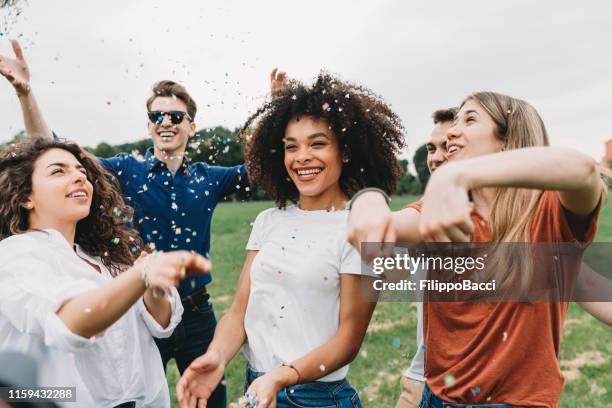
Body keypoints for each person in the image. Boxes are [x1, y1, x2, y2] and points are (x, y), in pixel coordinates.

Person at [0, 41, 280, 407]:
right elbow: (51, 152)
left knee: (208, 397)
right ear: (148, 126)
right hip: (130, 306)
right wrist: (26, 93)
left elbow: (261, 169)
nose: (166, 122)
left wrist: (273, 112)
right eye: (157, 116)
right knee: (133, 385)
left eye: (176, 117)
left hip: (194, 311)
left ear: (191, 127)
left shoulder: (209, 178)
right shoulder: (125, 169)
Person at [347, 91, 611, 407]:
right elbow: (383, 226)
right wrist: (369, 200)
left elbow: (582, 169)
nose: (452, 131)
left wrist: (457, 175)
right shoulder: (440, 214)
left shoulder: (550, 213)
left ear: (507, 141)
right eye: (455, 121)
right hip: (438, 398)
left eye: (469, 120)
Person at [175, 71, 405, 408]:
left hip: (316, 398)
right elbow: (239, 313)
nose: (301, 157)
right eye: (291, 147)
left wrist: (282, 376)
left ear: (345, 151)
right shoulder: (269, 221)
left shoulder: (361, 227)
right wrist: (216, 357)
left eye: (317, 143)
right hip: (258, 386)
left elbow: (348, 341)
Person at [0, 138, 212, 407]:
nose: (79, 177)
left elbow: (162, 326)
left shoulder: (103, 258)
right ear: (25, 197)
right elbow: (70, 322)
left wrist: (154, 290)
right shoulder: (15, 254)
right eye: (58, 171)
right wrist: (141, 276)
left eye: (81, 171)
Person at [395, 107, 457, 408]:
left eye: (449, 146)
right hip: (423, 379)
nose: (436, 157)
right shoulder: (424, 211)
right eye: (432, 148)